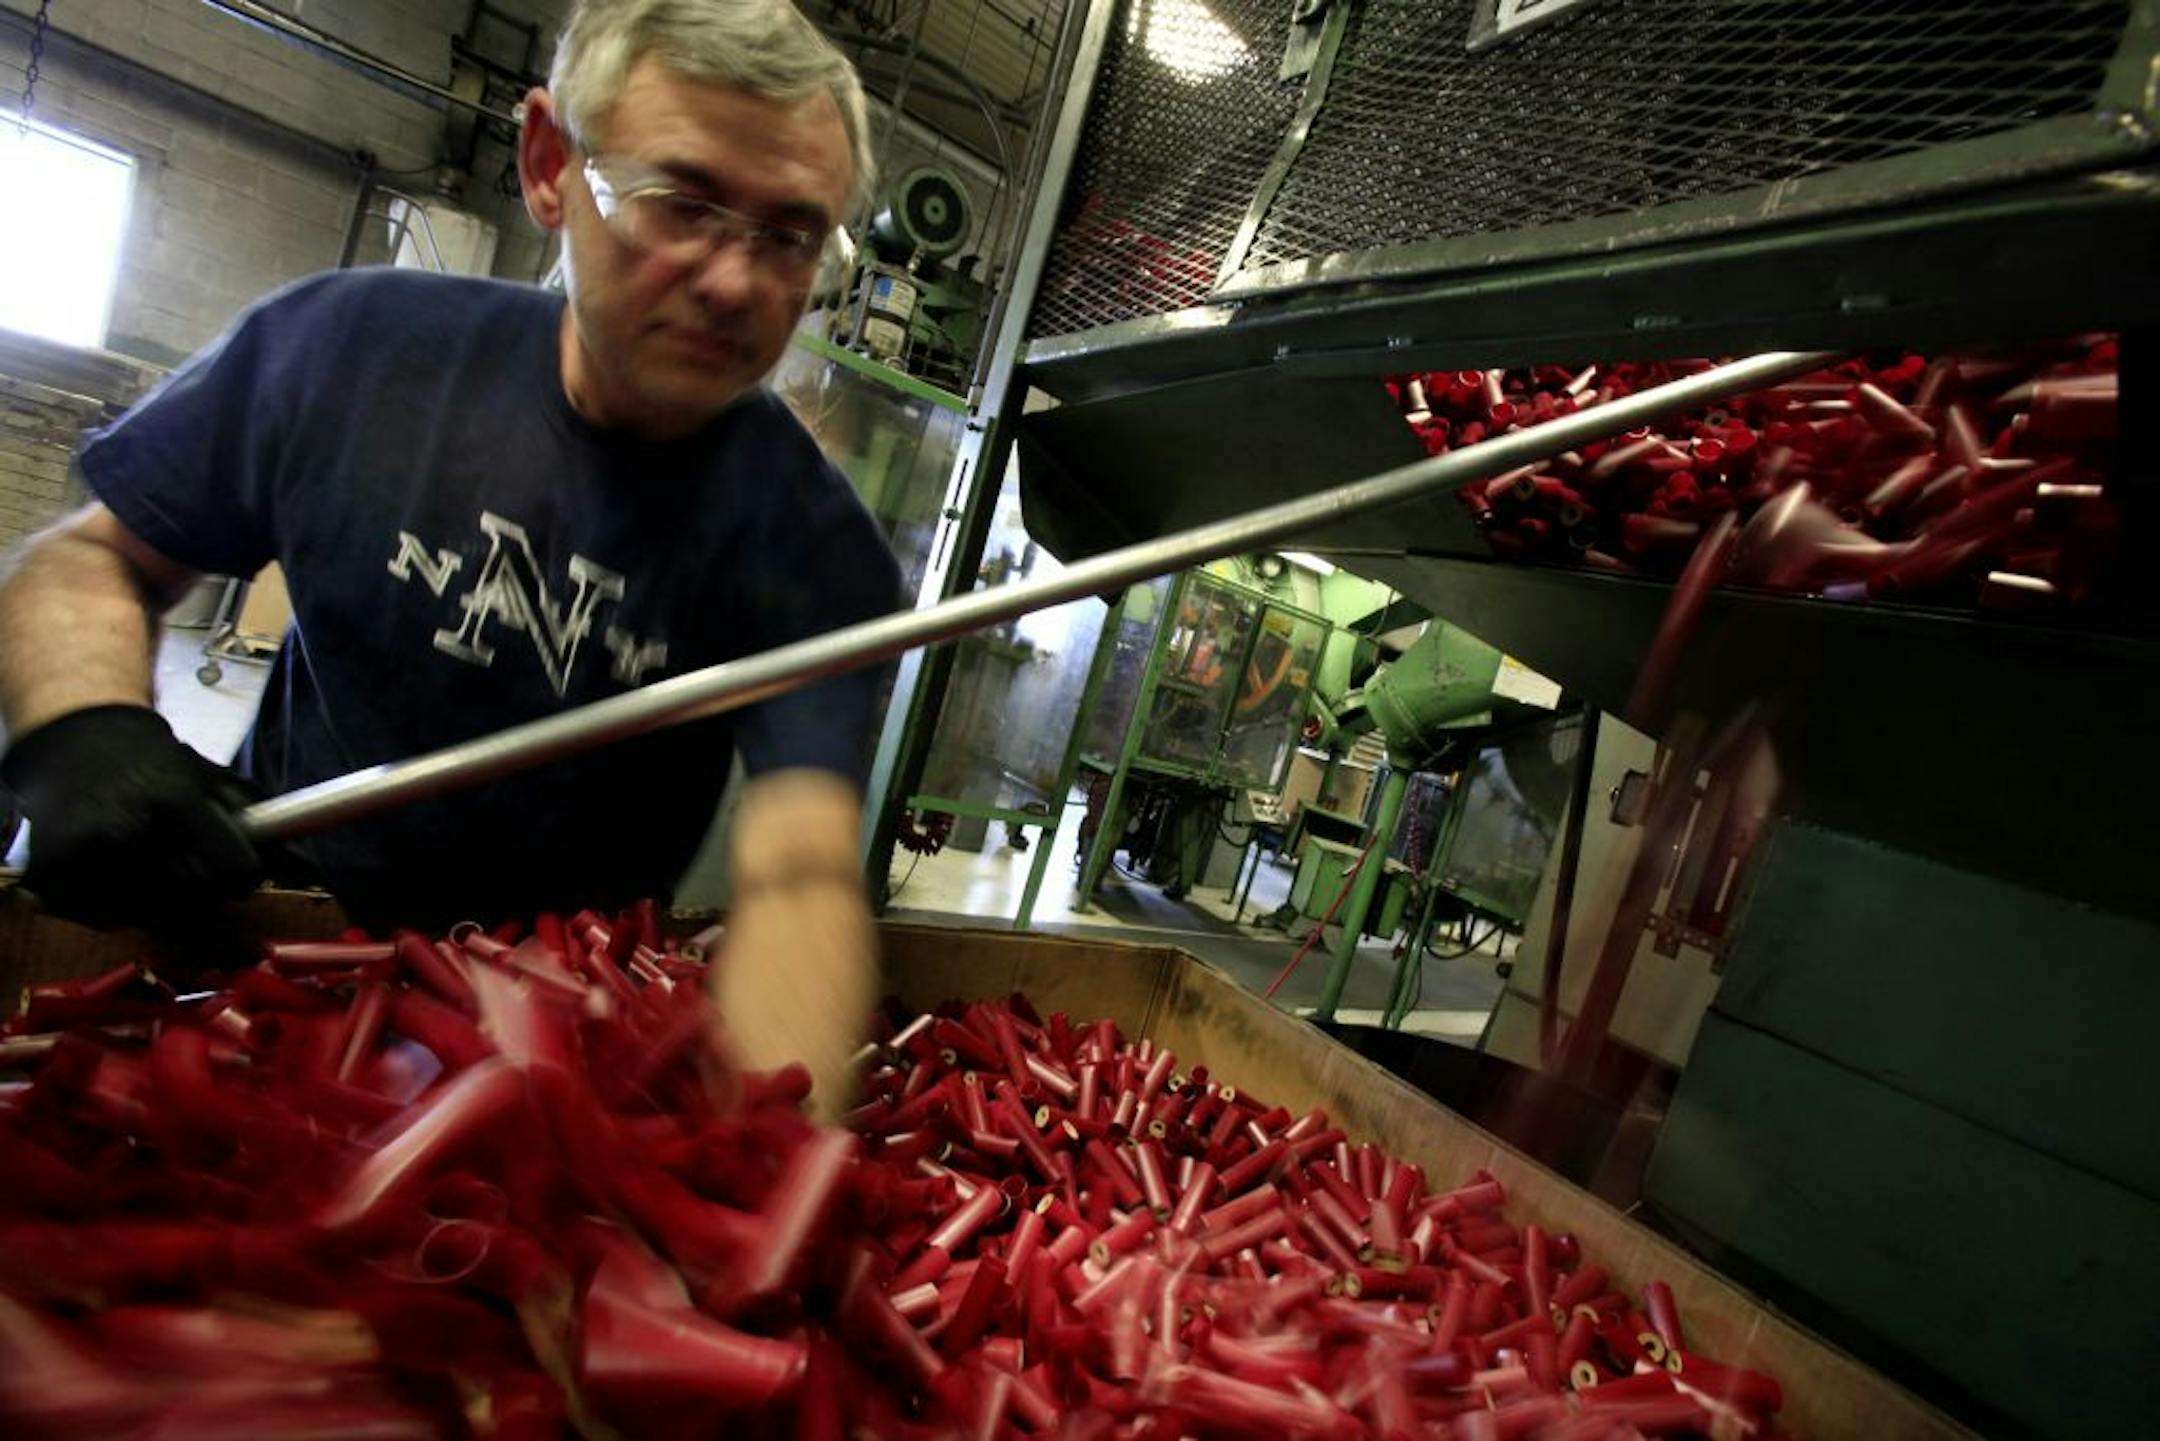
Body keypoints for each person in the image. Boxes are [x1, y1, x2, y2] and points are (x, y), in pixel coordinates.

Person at [0, 0, 901, 1115]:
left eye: (790, 236)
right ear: (547, 163)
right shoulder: (347, 351)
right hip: (272, 960)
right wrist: (87, 729)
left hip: (560, 1040)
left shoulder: (815, 548)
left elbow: (799, 871)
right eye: (684, 203)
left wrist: (771, 1145)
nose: (733, 280)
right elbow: (91, 560)